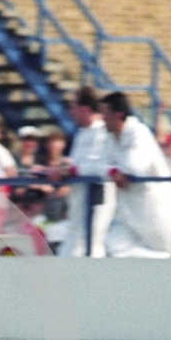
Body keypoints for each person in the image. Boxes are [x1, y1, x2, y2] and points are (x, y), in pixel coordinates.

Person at [101, 91, 171, 257]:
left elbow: (136, 166)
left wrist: (117, 171)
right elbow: (100, 164)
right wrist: (113, 172)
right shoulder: (110, 138)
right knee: (112, 247)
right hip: (130, 213)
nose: (102, 118)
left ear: (118, 115)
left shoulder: (139, 132)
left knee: (161, 255)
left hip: (157, 210)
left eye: (105, 113)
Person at [54, 86, 116, 257]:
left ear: (85, 109)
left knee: (89, 244)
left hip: (96, 199)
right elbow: (76, 164)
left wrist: (69, 169)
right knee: (71, 248)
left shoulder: (103, 132)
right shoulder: (81, 133)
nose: (71, 111)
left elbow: (96, 166)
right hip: (77, 200)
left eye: (73, 106)